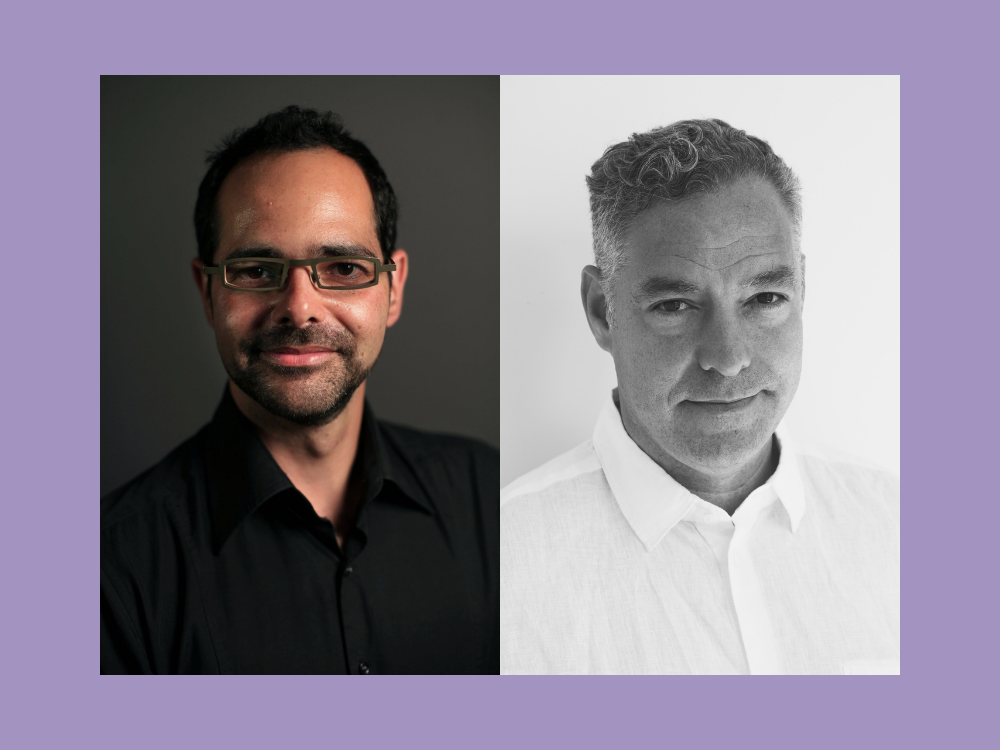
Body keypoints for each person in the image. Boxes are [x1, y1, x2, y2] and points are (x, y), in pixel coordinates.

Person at [101, 106, 499, 674]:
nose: (300, 308)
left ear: (393, 289)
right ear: (208, 293)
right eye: (257, 270)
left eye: (342, 267)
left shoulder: (492, 502)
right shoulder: (111, 569)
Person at [500, 119, 899, 675]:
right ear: (601, 311)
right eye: (675, 306)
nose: (729, 357)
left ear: (802, 289)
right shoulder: (499, 569)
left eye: (765, 297)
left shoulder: (898, 526)